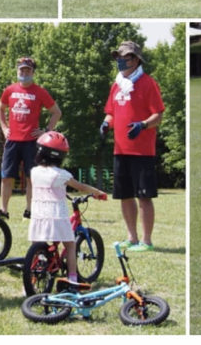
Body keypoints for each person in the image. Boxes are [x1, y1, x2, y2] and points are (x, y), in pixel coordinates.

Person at [100, 41, 164, 251]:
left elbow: (158, 115)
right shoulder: (116, 84)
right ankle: (132, 237)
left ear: (136, 60)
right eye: (118, 57)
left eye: (124, 57)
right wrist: (106, 123)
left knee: (144, 196)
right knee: (125, 195)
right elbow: (111, 111)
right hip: (120, 149)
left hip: (142, 151)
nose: (120, 61)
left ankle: (146, 241)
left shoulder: (148, 83)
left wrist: (143, 125)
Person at [29, 131, 106, 284]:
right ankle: (72, 279)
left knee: (36, 248)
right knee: (70, 245)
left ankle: (31, 279)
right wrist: (97, 192)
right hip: (56, 215)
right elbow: (80, 186)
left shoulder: (34, 171)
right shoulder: (61, 174)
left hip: (38, 215)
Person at [0, 56, 62, 219]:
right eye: (21, 69)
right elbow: (0, 109)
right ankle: (3, 210)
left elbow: (56, 112)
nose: (24, 72)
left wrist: (46, 131)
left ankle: (30, 210)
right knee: (6, 176)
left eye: (28, 70)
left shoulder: (40, 92)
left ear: (33, 72)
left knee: (32, 177)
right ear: (17, 70)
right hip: (12, 141)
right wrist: (4, 128)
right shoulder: (10, 90)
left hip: (32, 142)